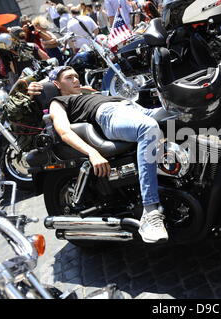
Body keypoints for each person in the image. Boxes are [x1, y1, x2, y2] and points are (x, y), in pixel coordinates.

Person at [27, 66, 169, 243]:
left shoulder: (87, 93)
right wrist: (92, 153)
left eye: (76, 76)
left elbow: (87, 88)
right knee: (148, 130)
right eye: (69, 78)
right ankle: (150, 212)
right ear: (56, 83)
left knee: (182, 112)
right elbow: (63, 131)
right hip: (110, 115)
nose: (76, 80)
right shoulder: (59, 101)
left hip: (134, 108)